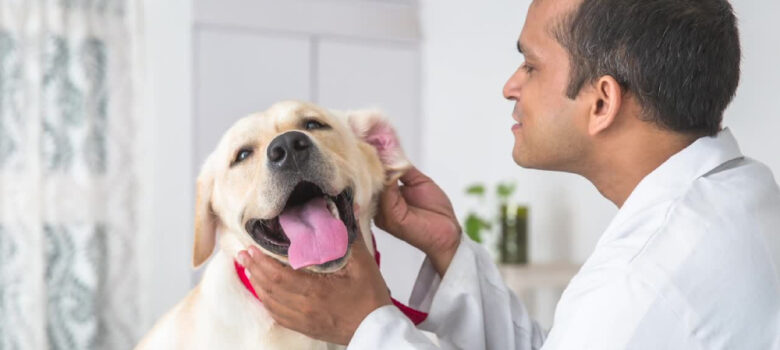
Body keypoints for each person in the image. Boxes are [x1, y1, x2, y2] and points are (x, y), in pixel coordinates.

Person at [236, 0, 780, 348]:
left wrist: (367, 328)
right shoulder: (742, 190)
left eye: (532, 65)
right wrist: (450, 252)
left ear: (601, 102)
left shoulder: (643, 285)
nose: (511, 86)